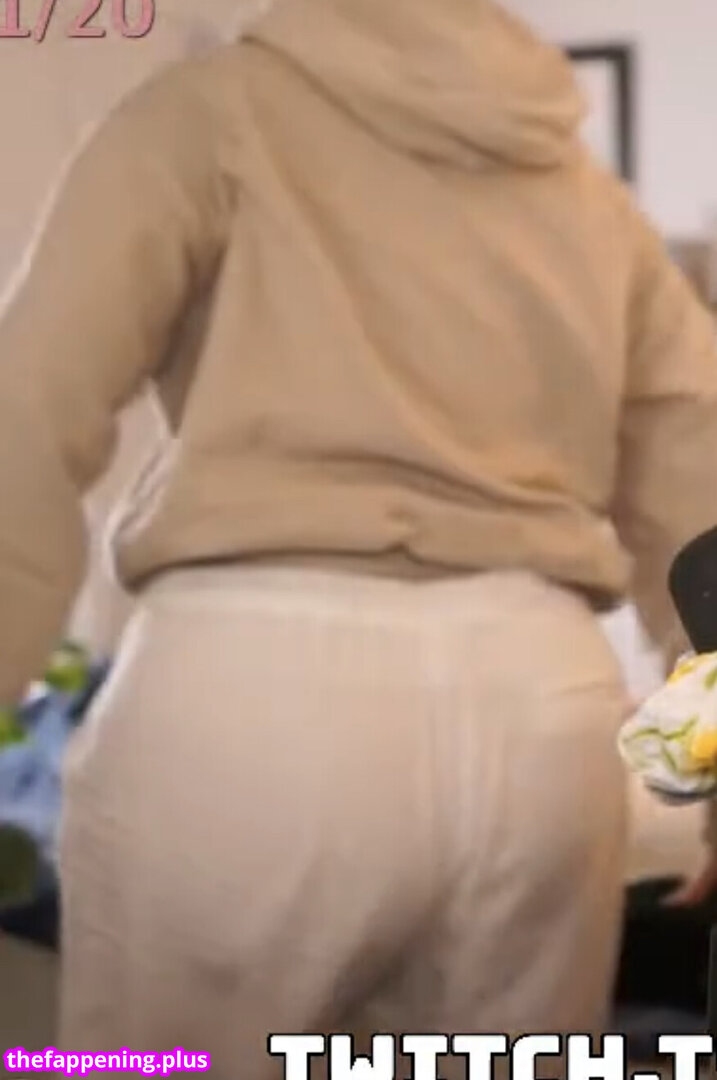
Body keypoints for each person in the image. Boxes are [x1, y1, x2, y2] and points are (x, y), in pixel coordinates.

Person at [1, 0, 717, 1074]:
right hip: (539, 714)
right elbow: (698, 494)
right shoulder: (584, 195)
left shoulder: (209, 116)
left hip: (256, 689)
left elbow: (25, 414)